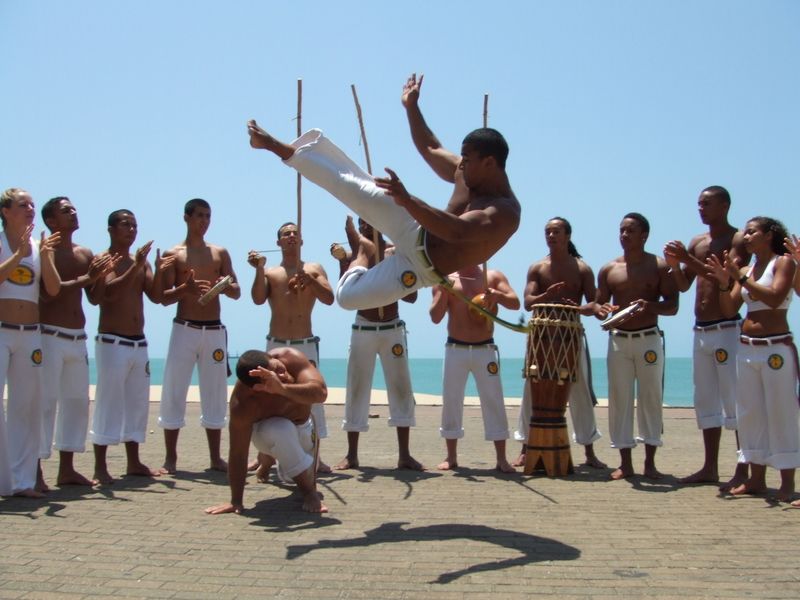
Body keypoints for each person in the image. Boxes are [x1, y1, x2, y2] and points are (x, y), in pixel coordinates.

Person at [246, 74, 519, 311]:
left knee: (346, 297)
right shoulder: (466, 170)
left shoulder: (504, 212)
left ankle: (367, 254)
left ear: (490, 163)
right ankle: (271, 143)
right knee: (346, 184)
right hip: (414, 225)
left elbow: (458, 232)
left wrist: (409, 200)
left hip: (421, 269)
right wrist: (411, 106)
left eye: (468, 159)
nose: (461, 164)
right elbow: (431, 147)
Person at [663, 186, 751, 489]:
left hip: (727, 327)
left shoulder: (737, 239)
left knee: (735, 400)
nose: (701, 209)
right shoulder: (697, 242)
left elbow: (727, 279)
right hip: (700, 330)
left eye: (707, 204)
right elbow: (685, 285)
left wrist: (688, 258)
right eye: (699, 204)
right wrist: (676, 266)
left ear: (725, 205)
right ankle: (710, 466)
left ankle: (743, 466)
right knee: (705, 400)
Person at [707, 216, 798, 502]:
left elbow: (774, 297)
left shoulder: (782, 262)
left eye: (751, 232)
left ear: (769, 234)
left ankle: (786, 482)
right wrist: (725, 283)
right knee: (750, 414)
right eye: (745, 233)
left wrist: (741, 278)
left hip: (775, 349)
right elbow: (729, 307)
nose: (745, 237)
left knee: (780, 412)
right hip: (747, 347)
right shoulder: (746, 268)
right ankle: (756, 478)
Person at [512, 217, 609, 469]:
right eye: (547, 232)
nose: (551, 236)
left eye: (556, 232)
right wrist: (548, 295)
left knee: (580, 392)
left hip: (571, 336)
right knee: (532, 390)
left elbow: (593, 302)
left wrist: (592, 309)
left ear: (567, 235)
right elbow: (528, 302)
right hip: (541, 338)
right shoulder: (537, 267)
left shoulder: (582, 268)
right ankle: (525, 448)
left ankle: (589, 452)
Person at [330, 216, 423, 471]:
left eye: (371, 219)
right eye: (362, 223)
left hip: (392, 328)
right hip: (364, 328)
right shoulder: (355, 257)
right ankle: (352, 455)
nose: (367, 226)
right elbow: (346, 293)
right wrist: (343, 262)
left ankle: (404, 455)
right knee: (356, 390)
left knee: (402, 389)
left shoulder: (395, 252)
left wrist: (398, 274)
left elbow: (412, 295)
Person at [38, 196, 116, 490]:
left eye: (73, 209)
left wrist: (99, 276)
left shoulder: (85, 253)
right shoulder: (43, 253)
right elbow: (49, 294)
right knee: (45, 403)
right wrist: (89, 276)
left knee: (76, 402)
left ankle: (67, 469)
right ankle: (35, 470)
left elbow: (95, 298)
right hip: (48, 335)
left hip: (77, 338)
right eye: (65, 211)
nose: (73, 213)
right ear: (51, 221)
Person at [158, 198, 240, 474]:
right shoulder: (174, 253)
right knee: (174, 390)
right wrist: (186, 289)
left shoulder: (220, 253)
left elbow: (236, 289)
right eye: (199, 216)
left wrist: (223, 286)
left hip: (214, 330)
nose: (204, 221)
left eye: (208, 216)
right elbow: (164, 298)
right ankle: (171, 458)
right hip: (185, 328)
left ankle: (216, 458)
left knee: (215, 392)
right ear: (186, 218)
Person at [90, 209, 172, 484]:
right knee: (109, 402)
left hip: (139, 342)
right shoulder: (104, 260)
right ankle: (100, 466)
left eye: (135, 225)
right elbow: (107, 295)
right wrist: (137, 266)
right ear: (111, 229)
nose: (132, 230)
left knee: (136, 404)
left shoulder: (141, 262)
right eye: (126, 225)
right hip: (113, 341)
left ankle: (134, 461)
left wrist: (159, 269)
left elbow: (158, 296)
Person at [595, 213, 679, 480]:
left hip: (649, 339)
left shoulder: (659, 266)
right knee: (619, 398)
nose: (624, 235)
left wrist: (648, 305)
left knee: (650, 397)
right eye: (621, 230)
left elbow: (672, 306)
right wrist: (602, 309)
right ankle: (625, 463)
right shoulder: (609, 269)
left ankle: (650, 463)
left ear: (644, 235)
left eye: (630, 231)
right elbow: (599, 305)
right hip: (619, 339)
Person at [248, 221, 334, 476]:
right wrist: (259, 269)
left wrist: (311, 281)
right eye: (286, 234)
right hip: (276, 345)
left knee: (312, 400)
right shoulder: (272, 272)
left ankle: (315, 456)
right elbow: (257, 298)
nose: (292, 236)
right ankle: (265, 458)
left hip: (304, 344)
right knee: (270, 398)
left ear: (302, 240)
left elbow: (329, 298)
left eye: (296, 233)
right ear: (278, 242)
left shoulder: (313, 268)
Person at [205, 348, 328, 514]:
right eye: (272, 377)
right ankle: (308, 493)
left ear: (273, 357)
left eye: (277, 368)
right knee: (280, 429)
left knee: (295, 469)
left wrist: (282, 388)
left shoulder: (290, 358)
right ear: (257, 388)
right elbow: (238, 453)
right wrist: (236, 501)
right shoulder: (244, 403)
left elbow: (320, 393)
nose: (281, 375)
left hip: (303, 426)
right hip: (269, 432)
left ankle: (267, 459)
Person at [429, 263, 520, 472]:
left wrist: (497, 296)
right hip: (455, 348)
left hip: (485, 349)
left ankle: (501, 459)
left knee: (494, 400)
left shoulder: (493, 276)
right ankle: (451, 457)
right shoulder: (446, 278)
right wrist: (443, 290)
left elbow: (515, 303)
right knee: (451, 401)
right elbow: (435, 317)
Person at [0, 188, 61, 497]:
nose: (30, 209)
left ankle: (22, 481)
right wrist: (17, 254)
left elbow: (52, 289)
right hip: (2, 331)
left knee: (27, 407)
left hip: (30, 334)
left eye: (32, 204)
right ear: (6, 211)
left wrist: (46, 257)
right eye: (23, 204)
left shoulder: (39, 248)